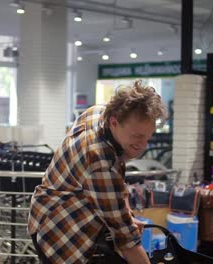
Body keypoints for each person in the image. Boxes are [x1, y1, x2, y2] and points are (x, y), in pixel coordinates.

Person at [28, 80, 167, 264]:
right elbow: (128, 242)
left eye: (148, 137)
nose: (144, 146)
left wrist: (128, 216)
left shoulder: (99, 112)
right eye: (137, 136)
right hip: (59, 233)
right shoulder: (98, 161)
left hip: (48, 211)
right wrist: (127, 222)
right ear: (114, 122)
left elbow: (116, 180)